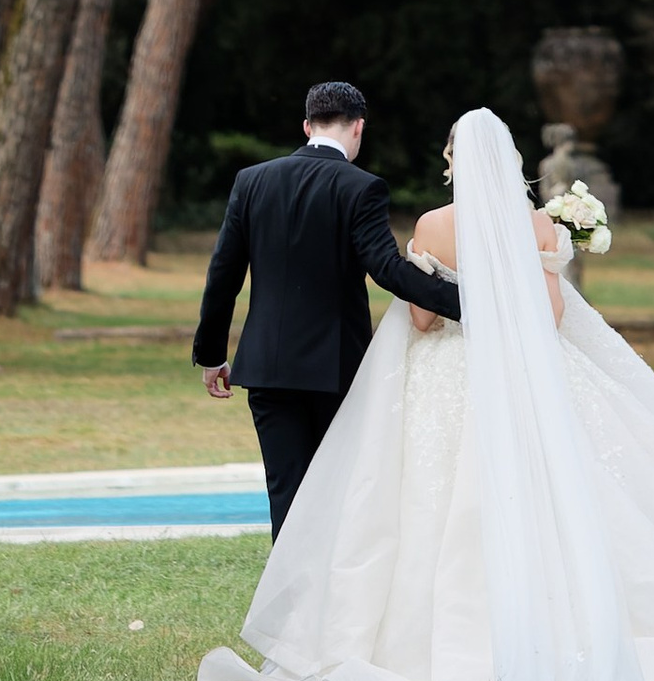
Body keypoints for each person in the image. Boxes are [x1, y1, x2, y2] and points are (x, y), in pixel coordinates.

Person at [197, 103, 654, 681]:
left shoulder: (433, 226)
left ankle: (347, 627)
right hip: (527, 372)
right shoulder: (537, 224)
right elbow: (553, 316)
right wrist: (505, 307)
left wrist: (458, 305)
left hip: (432, 373)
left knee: (416, 500)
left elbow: (419, 319)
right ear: (512, 163)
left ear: (453, 161)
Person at [191, 79, 463, 540]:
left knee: (287, 493)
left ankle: (289, 604)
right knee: (338, 489)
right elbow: (386, 268)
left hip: (267, 367)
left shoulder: (251, 180)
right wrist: (468, 303)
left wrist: (212, 353)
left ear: (306, 125)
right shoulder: (362, 186)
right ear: (358, 127)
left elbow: (224, 275)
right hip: (334, 365)